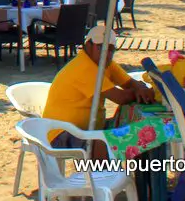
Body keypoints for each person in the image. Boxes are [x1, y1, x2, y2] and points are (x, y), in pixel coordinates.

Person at [42, 25, 156, 158]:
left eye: (110, 49)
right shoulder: (84, 67)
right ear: (88, 45)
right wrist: (140, 92)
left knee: (136, 132)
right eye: (100, 47)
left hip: (87, 128)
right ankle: (101, 176)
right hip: (61, 133)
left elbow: (130, 83)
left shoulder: (105, 63)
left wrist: (140, 88)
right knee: (114, 143)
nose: (106, 52)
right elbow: (120, 98)